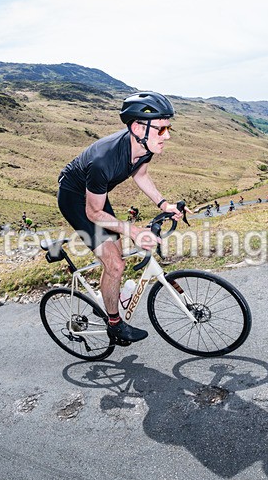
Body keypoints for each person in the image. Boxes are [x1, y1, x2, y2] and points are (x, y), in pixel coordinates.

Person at [56, 91, 184, 343]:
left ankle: (106, 297)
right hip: (75, 199)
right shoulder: (104, 160)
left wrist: (164, 203)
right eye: (160, 129)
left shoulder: (144, 147)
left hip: (96, 196)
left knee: (116, 255)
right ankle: (114, 325)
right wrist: (134, 230)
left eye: (168, 128)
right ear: (138, 127)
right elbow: (93, 213)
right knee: (115, 263)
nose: (167, 135)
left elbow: (141, 175)